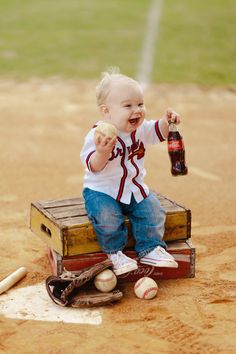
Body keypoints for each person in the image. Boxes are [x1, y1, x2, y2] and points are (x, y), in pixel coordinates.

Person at [80, 68, 180, 276]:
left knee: (153, 211)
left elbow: (157, 131)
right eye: (128, 106)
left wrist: (167, 121)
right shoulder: (98, 135)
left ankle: (150, 248)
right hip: (101, 191)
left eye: (140, 104)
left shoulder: (140, 129)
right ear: (107, 111)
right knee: (107, 218)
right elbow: (93, 166)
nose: (137, 110)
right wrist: (102, 152)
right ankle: (115, 253)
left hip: (133, 188)